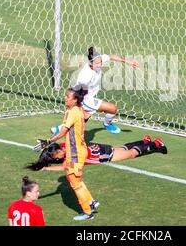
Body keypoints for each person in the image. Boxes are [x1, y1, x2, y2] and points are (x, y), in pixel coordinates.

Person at [50, 46, 139, 135]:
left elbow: (110, 56)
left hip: (89, 97)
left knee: (82, 120)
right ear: (90, 62)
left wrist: (127, 61)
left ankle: (59, 129)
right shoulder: (86, 76)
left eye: (100, 62)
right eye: (97, 63)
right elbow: (77, 93)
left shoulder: (97, 59)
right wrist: (82, 109)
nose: (99, 65)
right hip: (85, 100)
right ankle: (106, 124)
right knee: (113, 109)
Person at [43, 87, 97, 221]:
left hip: (76, 153)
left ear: (75, 100)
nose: (65, 98)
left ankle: (87, 212)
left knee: (74, 182)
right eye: (65, 96)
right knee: (74, 178)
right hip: (79, 150)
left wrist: (48, 141)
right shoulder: (77, 109)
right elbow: (87, 117)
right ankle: (91, 202)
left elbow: (63, 132)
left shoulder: (72, 112)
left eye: (68, 97)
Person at [30, 135, 168, 172]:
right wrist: (47, 143)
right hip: (98, 147)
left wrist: (46, 168)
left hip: (101, 155)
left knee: (131, 154)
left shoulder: (69, 156)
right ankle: (144, 141)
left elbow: (64, 167)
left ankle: (155, 144)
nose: (62, 153)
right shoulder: (63, 144)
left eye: (59, 153)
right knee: (121, 149)